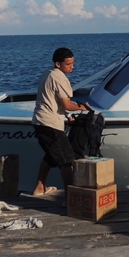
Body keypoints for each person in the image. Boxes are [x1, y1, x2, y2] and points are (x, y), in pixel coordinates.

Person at [31, 47, 89, 196]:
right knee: (67, 161)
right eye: (68, 64)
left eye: (73, 63)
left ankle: (40, 188)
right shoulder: (60, 77)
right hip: (50, 124)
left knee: (50, 156)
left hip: (39, 122)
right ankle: (71, 197)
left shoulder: (47, 74)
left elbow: (54, 101)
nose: (72, 67)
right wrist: (82, 108)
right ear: (58, 64)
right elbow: (67, 104)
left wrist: (67, 116)